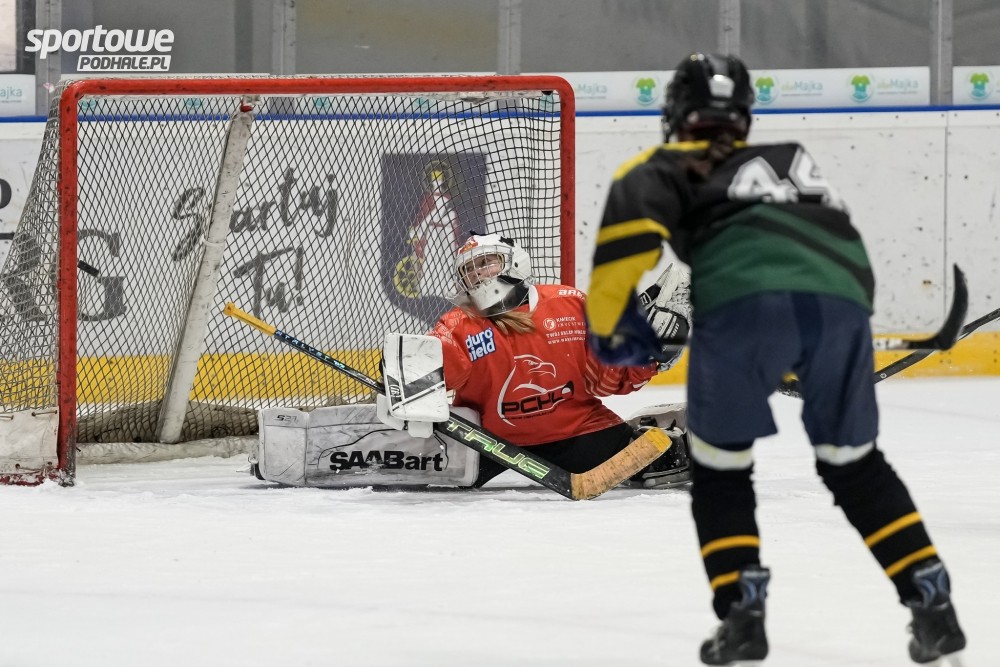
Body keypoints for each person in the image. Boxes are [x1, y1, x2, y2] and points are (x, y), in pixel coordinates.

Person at [584, 53, 966, 665]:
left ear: (676, 113)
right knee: (855, 465)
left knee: (721, 469)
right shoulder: (792, 158)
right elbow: (831, 256)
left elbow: (609, 296)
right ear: (743, 114)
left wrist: (621, 341)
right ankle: (932, 603)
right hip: (843, 309)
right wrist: (812, 341)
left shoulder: (654, 169)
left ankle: (742, 618)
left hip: (741, 311)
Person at [427, 231, 693, 489]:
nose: (478, 273)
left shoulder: (570, 304)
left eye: (486, 262)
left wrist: (646, 358)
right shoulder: (456, 325)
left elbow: (605, 380)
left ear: (514, 261)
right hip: (487, 443)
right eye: (469, 270)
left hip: (577, 432)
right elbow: (435, 372)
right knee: (426, 472)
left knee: (669, 462)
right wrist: (410, 370)